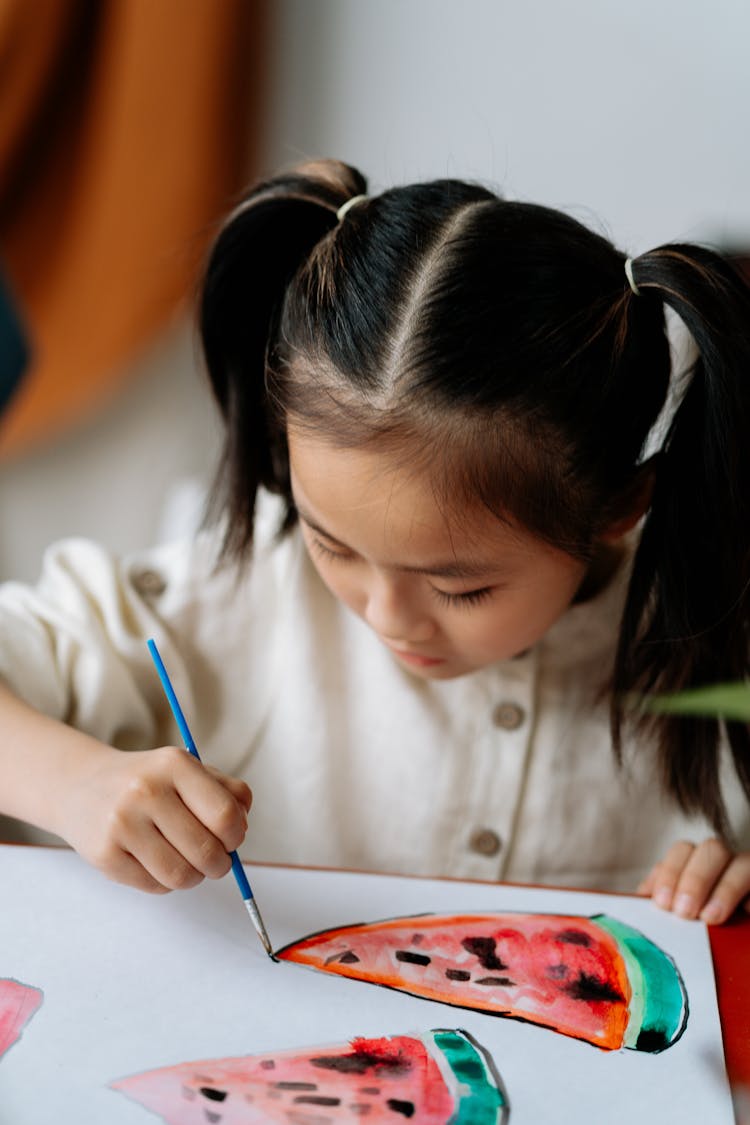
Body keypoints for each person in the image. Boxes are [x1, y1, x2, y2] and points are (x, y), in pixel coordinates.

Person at [1, 160, 749, 926]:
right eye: (333, 545)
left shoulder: (720, 656)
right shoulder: (238, 596)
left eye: (460, 588)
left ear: (619, 507)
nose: (388, 615)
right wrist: (72, 781)